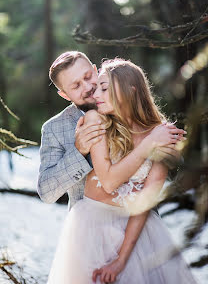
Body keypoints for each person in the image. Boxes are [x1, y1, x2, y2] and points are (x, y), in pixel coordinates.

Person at [46, 58, 197, 283]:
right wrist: (148, 145)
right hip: (92, 226)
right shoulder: (96, 120)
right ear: (65, 94)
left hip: (139, 230)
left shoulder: (161, 134)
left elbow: (146, 200)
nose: (94, 93)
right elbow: (108, 182)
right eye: (76, 86)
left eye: (100, 86)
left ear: (130, 89)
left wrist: (121, 260)